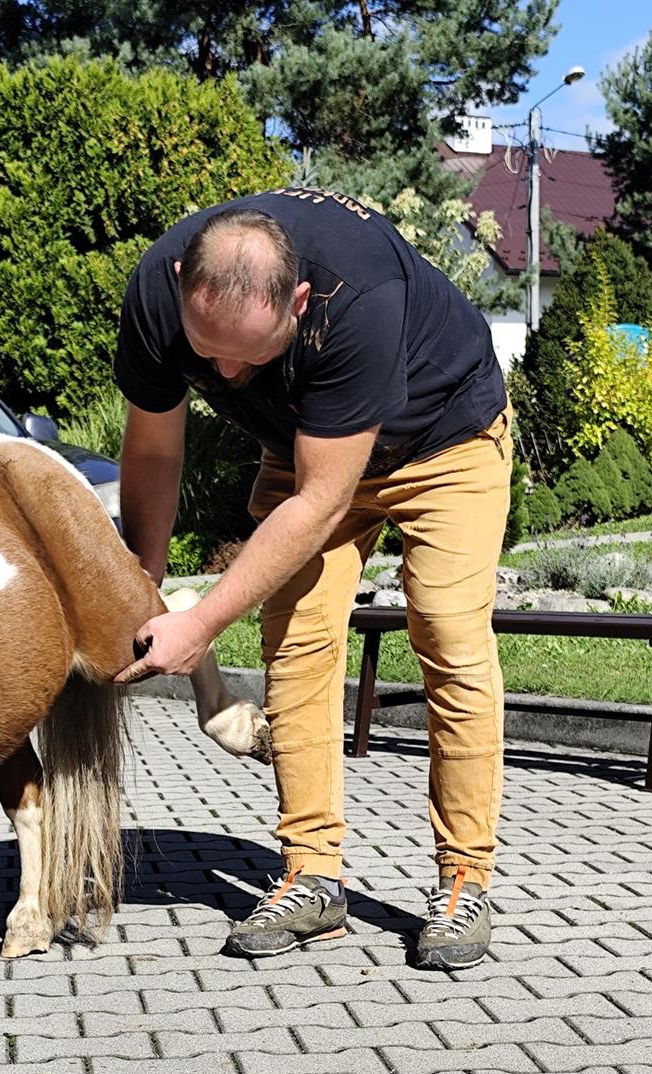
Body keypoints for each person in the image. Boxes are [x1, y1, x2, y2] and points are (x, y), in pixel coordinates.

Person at [113, 188, 511, 968]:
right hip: (308, 445)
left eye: (248, 353)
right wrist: (145, 585)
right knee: (296, 643)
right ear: (183, 284)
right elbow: (155, 449)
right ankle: (312, 878)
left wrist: (201, 623)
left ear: (298, 301)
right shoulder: (158, 290)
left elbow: (319, 502)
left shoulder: (358, 294)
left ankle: (465, 883)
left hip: (445, 439)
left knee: (448, 632)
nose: (226, 372)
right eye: (207, 350)